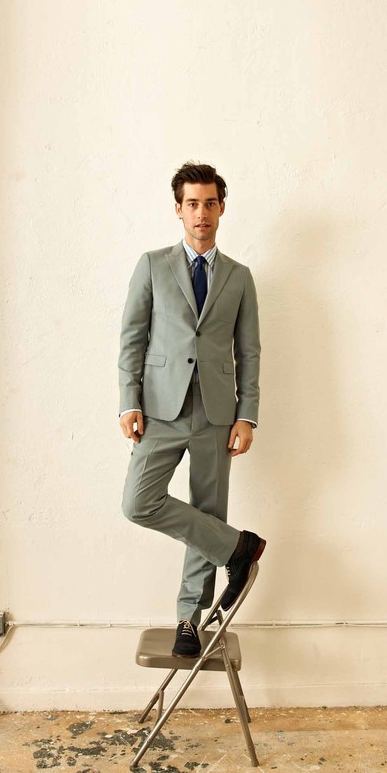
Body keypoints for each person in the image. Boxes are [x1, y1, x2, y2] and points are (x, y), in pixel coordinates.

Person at [119, 161, 266, 657]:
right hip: (159, 409)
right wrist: (128, 401)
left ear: (221, 208)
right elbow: (132, 339)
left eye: (209, 203)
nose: (201, 213)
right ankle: (236, 547)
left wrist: (247, 414)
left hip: (216, 412)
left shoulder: (239, 277)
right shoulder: (152, 265)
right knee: (138, 502)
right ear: (178, 210)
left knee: (207, 510)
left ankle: (189, 618)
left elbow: (249, 351)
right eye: (192, 204)